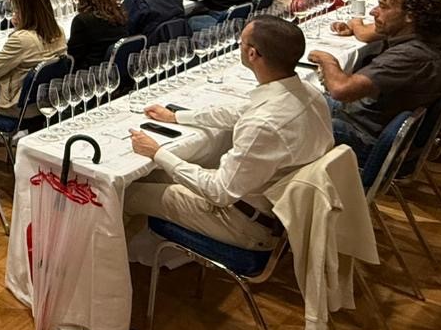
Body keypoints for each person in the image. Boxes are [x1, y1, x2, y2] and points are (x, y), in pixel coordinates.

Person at [128, 17, 334, 250]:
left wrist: (158, 153)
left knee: (125, 192)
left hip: (246, 223)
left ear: (253, 54)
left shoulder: (263, 124)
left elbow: (218, 192)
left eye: (241, 43)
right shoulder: (309, 92)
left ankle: (124, 279)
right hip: (280, 208)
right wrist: (176, 117)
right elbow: (238, 112)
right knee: (152, 175)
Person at [309, 0, 441, 167]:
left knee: (283, 121)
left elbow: (341, 90)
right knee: (300, 97)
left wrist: (328, 60)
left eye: (384, 7)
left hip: (366, 140)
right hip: (368, 120)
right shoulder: (424, 46)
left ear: (410, 16)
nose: (373, 12)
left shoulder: (410, 57)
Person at [0, 0, 66, 116]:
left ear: (24, 10)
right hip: (47, 99)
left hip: (20, 107)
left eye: (15, 8)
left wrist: (17, 30)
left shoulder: (21, 39)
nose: (13, 12)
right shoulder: (59, 31)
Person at [66, 0, 128, 64]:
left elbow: (73, 58)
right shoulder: (119, 13)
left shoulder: (82, 21)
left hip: (90, 73)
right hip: (117, 66)